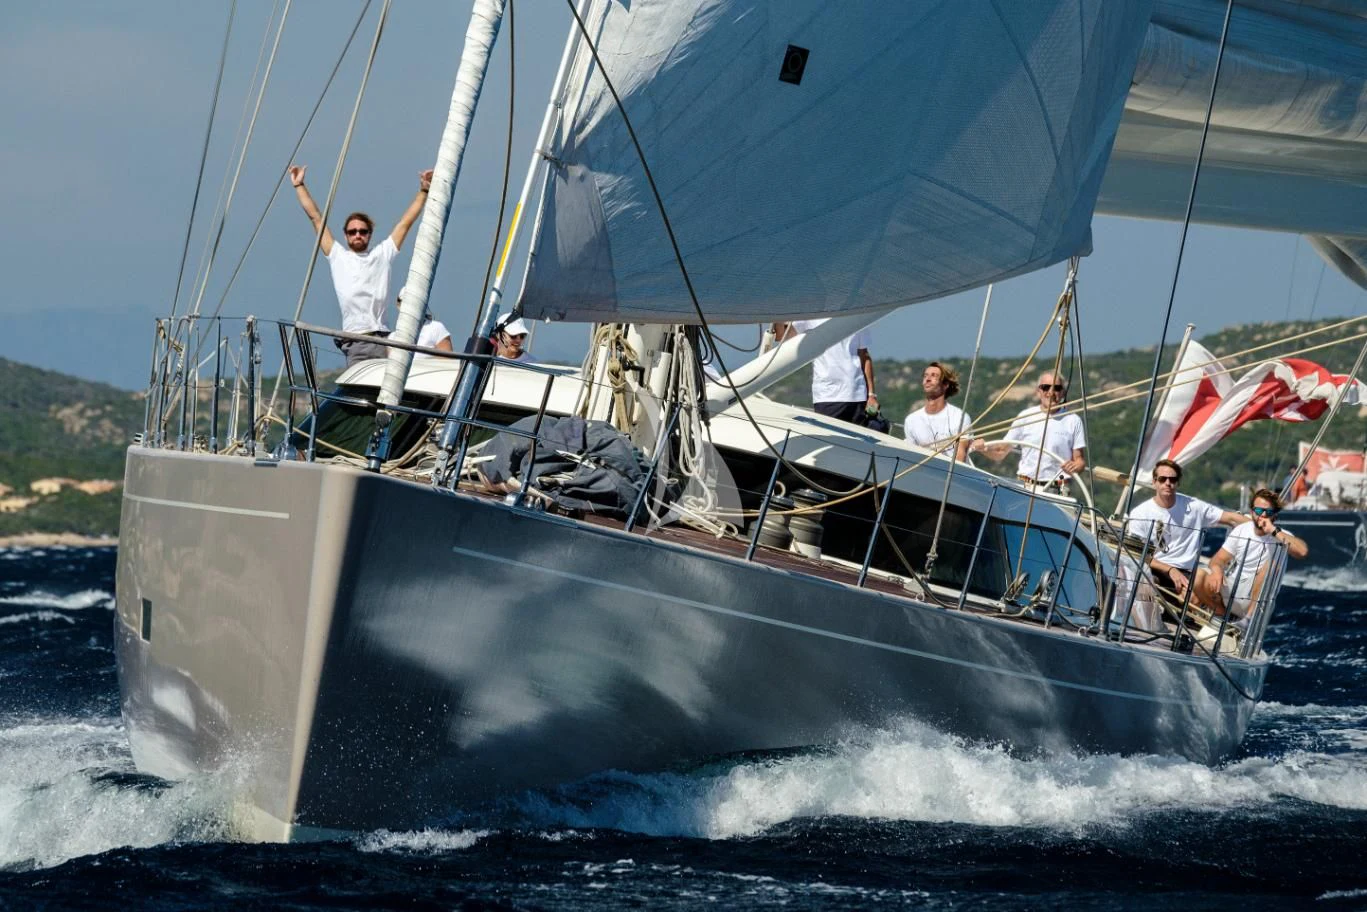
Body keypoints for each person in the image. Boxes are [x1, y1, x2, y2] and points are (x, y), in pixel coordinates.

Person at [288, 164, 433, 366]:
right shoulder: (338, 256)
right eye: (352, 231)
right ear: (345, 235)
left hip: (382, 339)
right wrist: (299, 185)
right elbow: (316, 218)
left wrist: (424, 191)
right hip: (355, 339)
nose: (357, 235)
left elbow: (405, 223)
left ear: (369, 235)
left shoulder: (382, 254)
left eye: (362, 231)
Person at [1126, 459, 1243, 601]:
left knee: (1199, 594)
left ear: (1178, 483)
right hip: (1155, 567)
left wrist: (1267, 528)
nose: (1168, 483)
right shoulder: (1140, 513)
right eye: (1162, 479)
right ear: (1154, 482)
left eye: (1172, 479)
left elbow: (1231, 518)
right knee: (1148, 584)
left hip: (1186, 571)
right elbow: (1136, 554)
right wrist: (1170, 570)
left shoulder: (1193, 507)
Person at [1198, 488, 1307, 623]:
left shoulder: (1282, 535)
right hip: (1233, 590)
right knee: (1198, 577)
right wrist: (1216, 571)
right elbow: (1217, 559)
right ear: (1251, 512)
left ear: (1275, 516)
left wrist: (1273, 530)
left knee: (1272, 564)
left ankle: (1247, 620)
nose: (1262, 515)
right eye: (1259, 511)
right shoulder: (1242, 530)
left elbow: (1302, 552)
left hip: (1257, 601)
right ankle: (1222, 613)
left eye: (1268, 512)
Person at [973, 371, 1085, 494]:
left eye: (1057, 388)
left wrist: (1075, 466)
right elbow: (1001, 451)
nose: (1051, 392)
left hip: (1058, 488)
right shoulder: (1025, 417)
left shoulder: (1073, 420)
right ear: (1038, 392)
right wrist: (983, 448)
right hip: (1025, 486)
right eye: (1046, 387)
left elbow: (1079, 460)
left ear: (1063, 392)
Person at [771, 319, 878, 426]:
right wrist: (777, 315)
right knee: (830, 440)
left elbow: (864, 356)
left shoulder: (858, 315)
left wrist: (871, 395)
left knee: (856, 441)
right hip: (827, 394)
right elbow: (781, 336)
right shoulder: (814, 315)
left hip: (857, 394)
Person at [904, 362, 972, 460]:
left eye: (933, 376)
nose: (927, 379)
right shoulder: (911, 420)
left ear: (945, 385)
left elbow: (960, 455)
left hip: (953, 472)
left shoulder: (960, 417)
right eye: (925, 376)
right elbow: (911, 456)